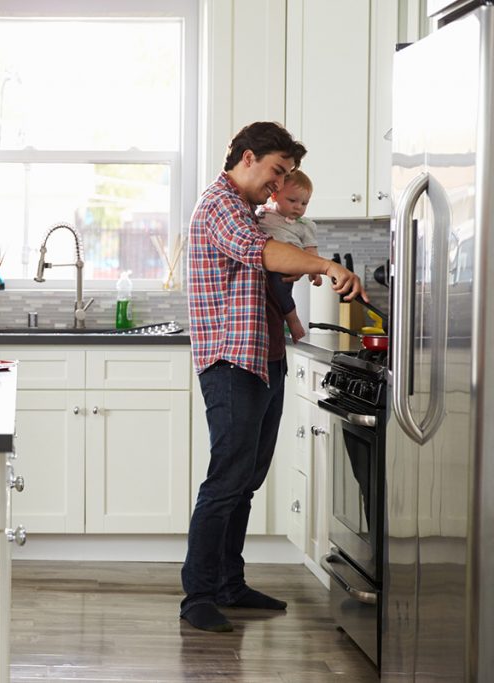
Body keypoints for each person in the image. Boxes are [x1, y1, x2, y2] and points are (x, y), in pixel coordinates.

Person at [183, 121, 365, 633]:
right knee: (226, 479)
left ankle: (228, 584)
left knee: (246, 479)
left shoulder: (249, 210)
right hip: (232, 361)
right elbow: (260, 253)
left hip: (265, 357)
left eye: (287, 175)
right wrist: (326, 265)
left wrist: (303, 264)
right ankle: (197, 595)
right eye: (276, 171)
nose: (279, 184)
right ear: (246, 158)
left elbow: (271, 267)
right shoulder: (220, 205)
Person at [256, 169, 321, 343]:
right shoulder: (264, 213)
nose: (298, 207)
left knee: (280, 290)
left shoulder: (305, 225)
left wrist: (315, 271)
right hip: (265, 264)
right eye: (292, 200)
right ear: (274, 196)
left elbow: (311, 251)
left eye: (304, 203)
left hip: (287, 267)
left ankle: (293, 321)